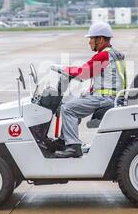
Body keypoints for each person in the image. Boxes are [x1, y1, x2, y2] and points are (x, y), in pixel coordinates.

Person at [54, 22, 127, 158]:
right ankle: (63, 141)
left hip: (104, 99)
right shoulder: (116, 54)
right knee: (73, 105)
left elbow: (84, 73)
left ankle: (73, 146)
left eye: (91, 39)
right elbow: (104, 77)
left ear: (100, 39)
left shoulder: (103, 56)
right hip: (113, 96)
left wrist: (62, 69)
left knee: (68, 108)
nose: (89, 42)